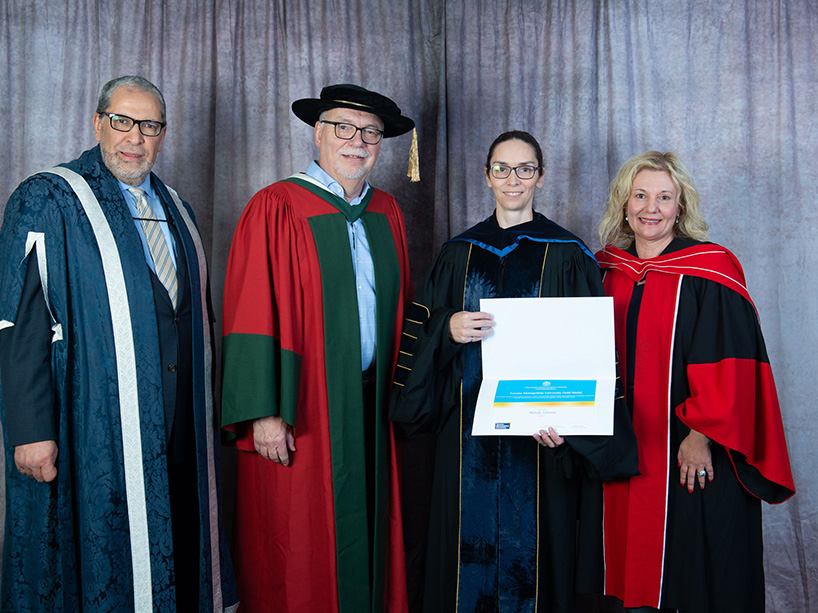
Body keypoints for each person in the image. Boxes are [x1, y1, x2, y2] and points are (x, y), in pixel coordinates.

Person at [0, 76, 237, 611]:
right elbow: (20, 322)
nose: (135, 138)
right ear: (97, 122)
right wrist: (30, 430)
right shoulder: (50, 197)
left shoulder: (177, 207)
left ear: (163, 133)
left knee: (171, 546)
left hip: (178, 423)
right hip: (91, 423)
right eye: (122, 121)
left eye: (149, 126)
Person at [389, 131, 638, 613]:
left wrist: (571, 427)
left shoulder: (568, 254)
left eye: (525, 168)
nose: (513, 178)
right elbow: (419, 338)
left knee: (538, 559)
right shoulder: (456, 253)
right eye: (501, 168)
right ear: (487, 176)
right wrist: (448, 327)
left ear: (540, 178)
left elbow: (591, 353)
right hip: (466, 438)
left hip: (541, 440)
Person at [221, 83, 414, 612]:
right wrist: (263, 412)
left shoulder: (387, 212)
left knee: (370, 532)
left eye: (370, 133)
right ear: (318, 132)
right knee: (300, 542)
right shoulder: (276, 205)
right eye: (343, 129)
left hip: (373, 405)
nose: (358, 142)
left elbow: (402, 310)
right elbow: (249, 313)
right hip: (303, 407)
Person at [595, 151, 795, 612]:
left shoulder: (712, 269)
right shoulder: (606, 270)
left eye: (664, 197)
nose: (651, 207)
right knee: (633, 569)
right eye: (640, 195)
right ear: (624, 204)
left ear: (680, 206)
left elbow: (729, 360)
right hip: (628, 445)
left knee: (701, 569)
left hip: (692, 447)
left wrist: (699, 434)